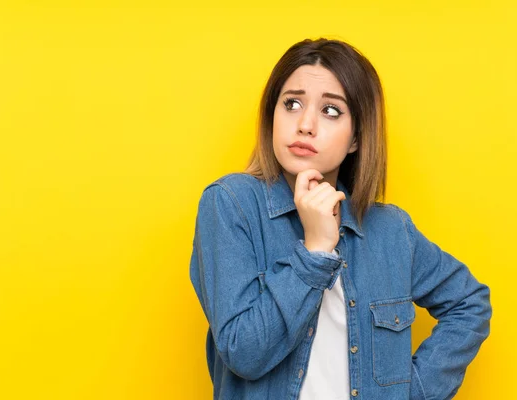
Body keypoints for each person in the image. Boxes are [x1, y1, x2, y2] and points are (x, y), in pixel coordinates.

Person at [189, 38, 491, 400]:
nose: (305, 124)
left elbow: (468, 302)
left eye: (331, 111)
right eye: (292, 104)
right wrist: (315, 252)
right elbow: (244, 353)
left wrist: (414, 392)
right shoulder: (231, 204)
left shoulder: (390, 230)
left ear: (356, 139)